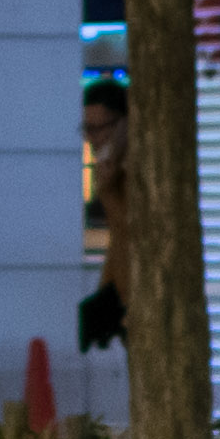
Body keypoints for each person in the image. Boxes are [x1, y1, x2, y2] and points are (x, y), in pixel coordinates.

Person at [78, 79, 128, 352]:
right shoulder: (108, 172)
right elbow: (118, 244)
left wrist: (108, 191)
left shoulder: (133, 173)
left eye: (101, 128)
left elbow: (132, 235)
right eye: (88, 130)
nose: (94, 139)